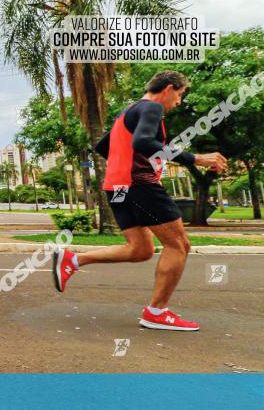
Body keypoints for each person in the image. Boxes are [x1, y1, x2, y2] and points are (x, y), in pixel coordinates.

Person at [53, 70, 227, 331]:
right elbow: (144, 141)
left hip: (116, 186)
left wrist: (124, 166)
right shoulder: (151, 108)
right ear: (168, 89)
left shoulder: (128, 112)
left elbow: (103, 147)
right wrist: (196, 158)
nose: (178, 102)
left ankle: (73, 260)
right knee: (179, 244)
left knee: (141, 249)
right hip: (138, 185)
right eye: (179, 95)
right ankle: (156, 312)